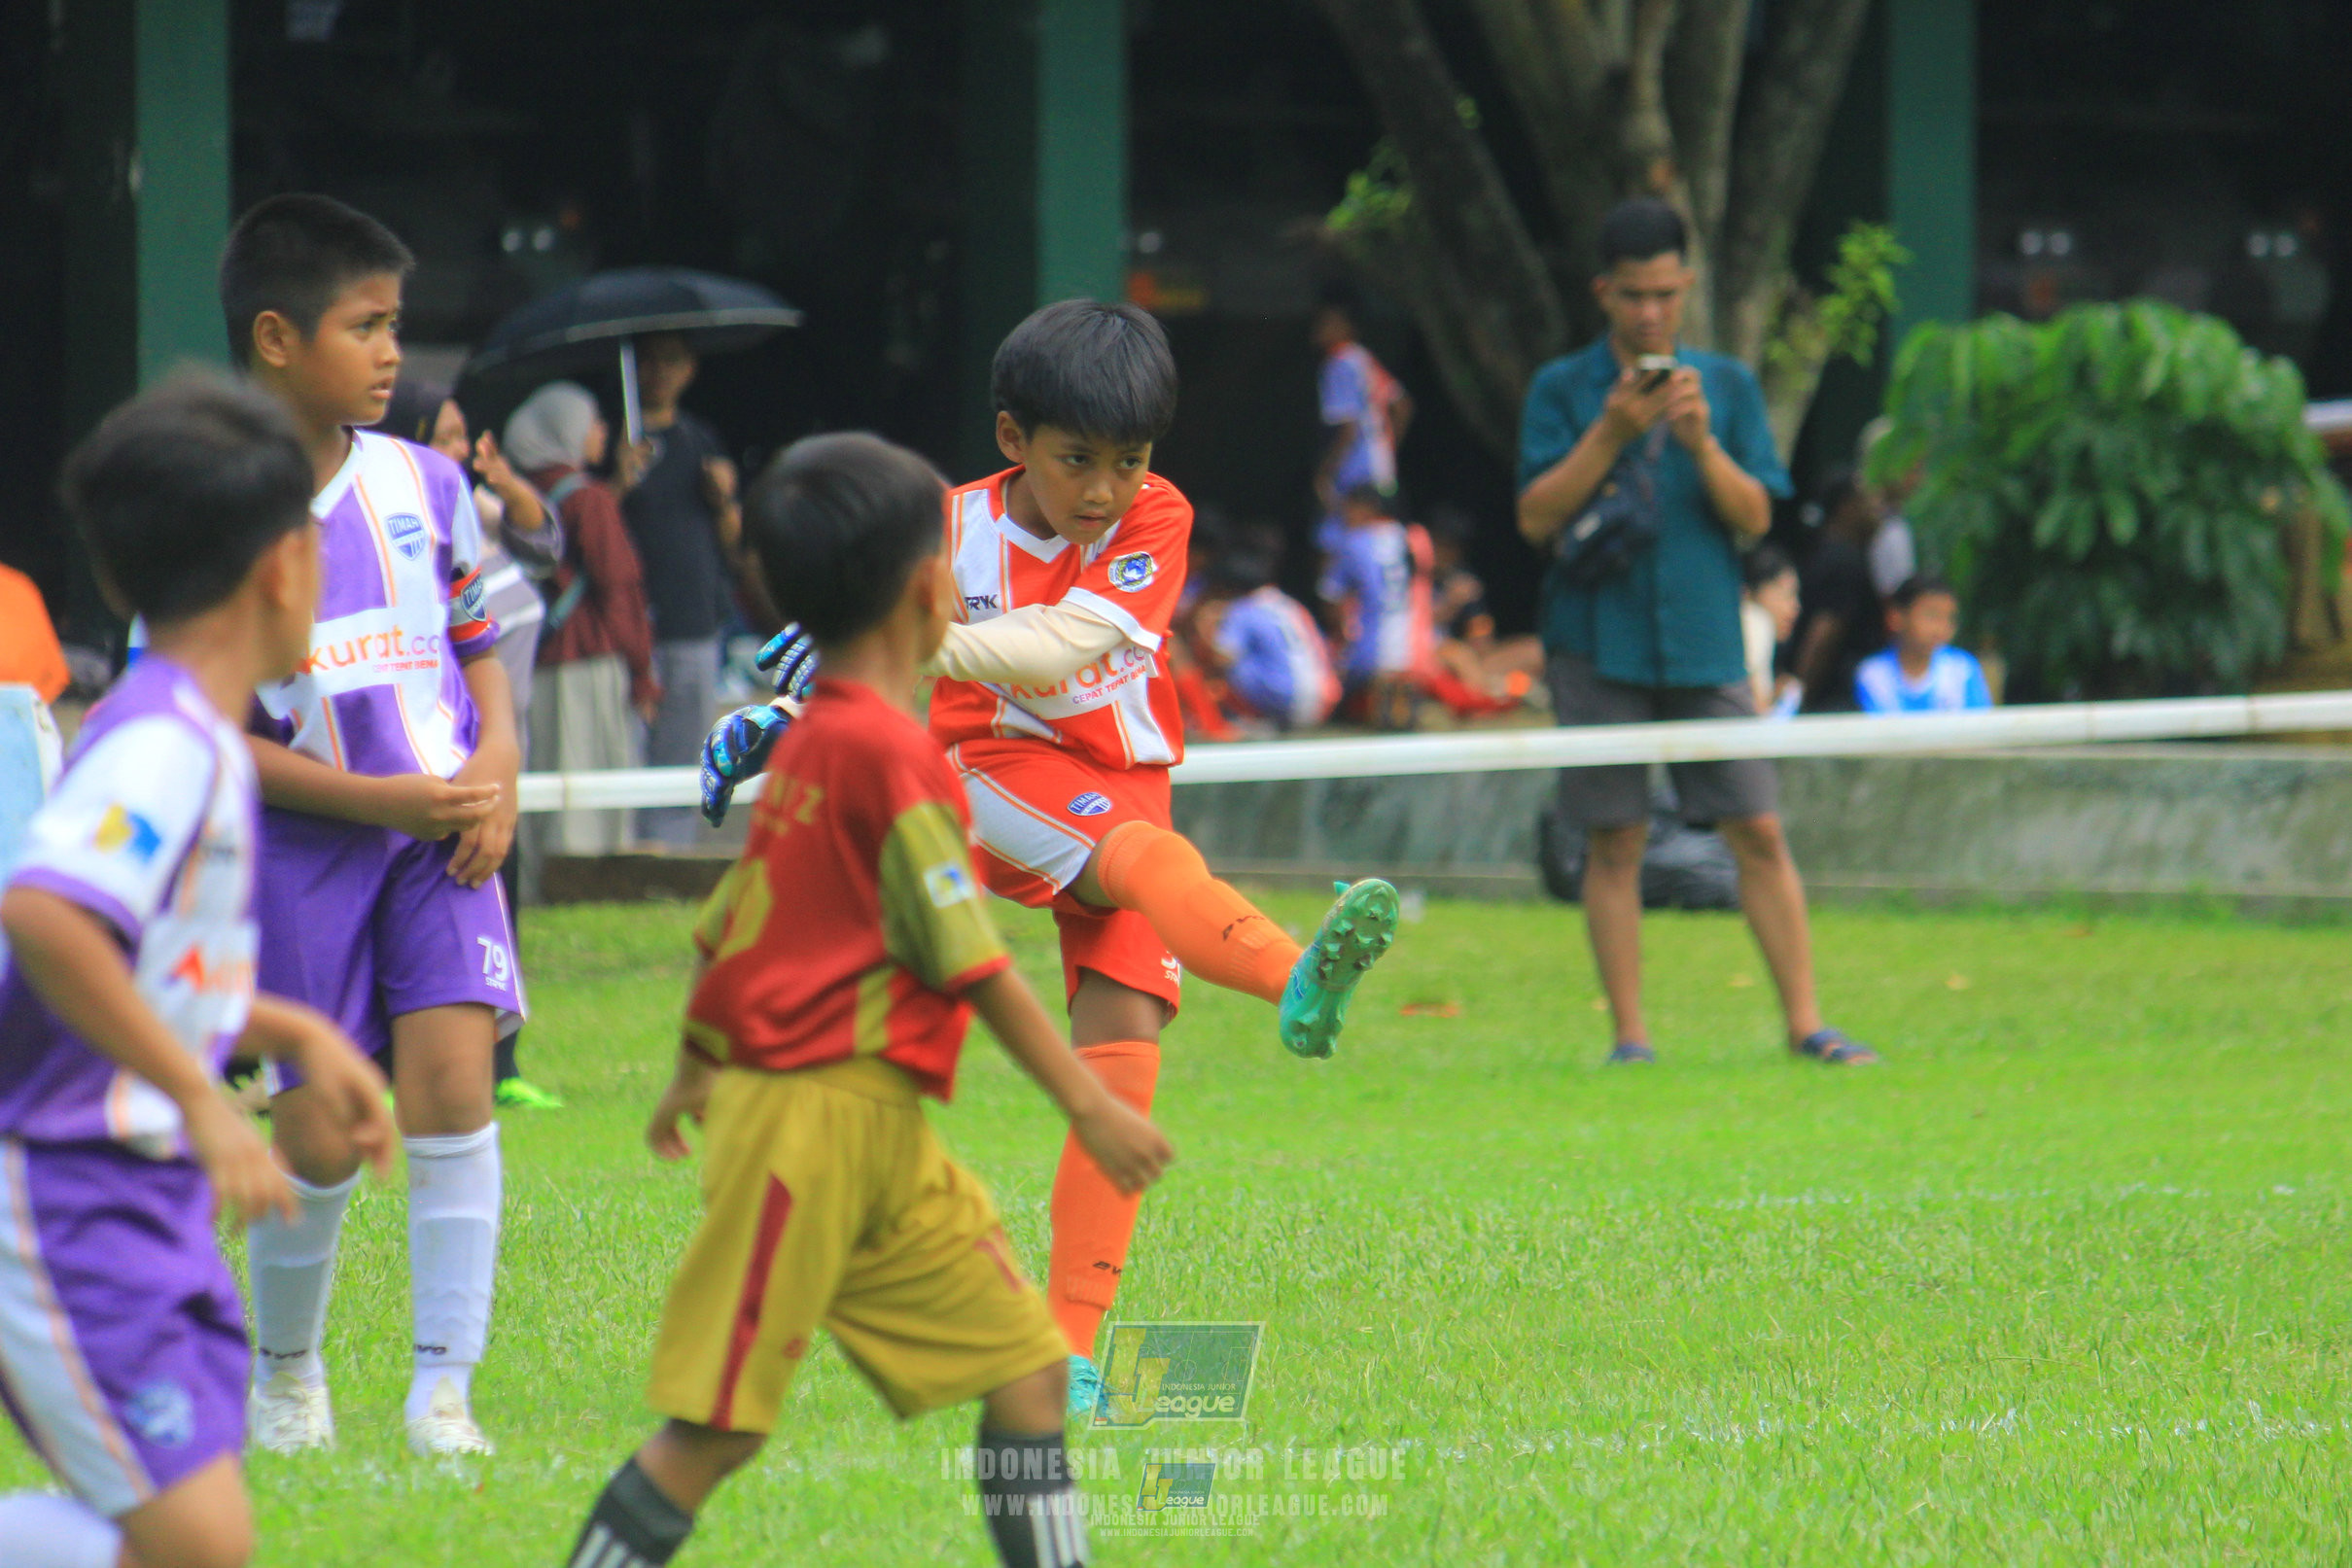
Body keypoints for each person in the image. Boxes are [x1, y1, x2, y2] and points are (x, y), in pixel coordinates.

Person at [701, 300, 1402, 1413]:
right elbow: (883, 666)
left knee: (1123, 1052)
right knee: (1141, 859)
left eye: (1130, 459)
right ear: (1011, 438)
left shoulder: (1157, 514)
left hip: (1123, 771)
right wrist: (785, 716)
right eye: (1079, 459)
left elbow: (1063, 644)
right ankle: (1291, 976)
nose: (1105, 489)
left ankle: (1067, 1352)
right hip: (989, 763)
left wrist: (898, 642)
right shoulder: (944, 528)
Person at [561, 432, 1171, 1568]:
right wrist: (1089, 1104)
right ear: (930, 591)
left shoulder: (811, 743)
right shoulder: (889, 755)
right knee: (715, 1431)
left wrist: (692, 1064)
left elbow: (735, 920)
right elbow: (972, 962)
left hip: (883, 1133)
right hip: (802, 1130)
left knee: (1029, 1374)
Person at [0, 373, 397, 1568]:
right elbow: (47, 911)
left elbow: (154, 963)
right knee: (195, 1543)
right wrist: (198, 1096)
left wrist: (296, 1030)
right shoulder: (164, 744)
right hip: (65, 1194)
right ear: (283, 567)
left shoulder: (198, 740)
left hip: (138, 1197)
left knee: (192, 1539)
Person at [222, 193, 528, 1457]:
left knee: (455, 1091)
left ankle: (442, 1392)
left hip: (441, 841)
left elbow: (479, 644)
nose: (394, 353)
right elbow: (200, 730)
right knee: (322, 1131)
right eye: (366, 327)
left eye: (398, 325)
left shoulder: (429, 481)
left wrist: (497, 763)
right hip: (298, 851)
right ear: (276, 338)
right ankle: (286, 1374)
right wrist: (373, 800)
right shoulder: (213, 506)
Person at [1514, 196, 1876, 1067]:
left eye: (1666, 294)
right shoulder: (1563, 388)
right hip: (1596, 639)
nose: (1651, 312)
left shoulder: (1728, 384)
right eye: (1634, 294)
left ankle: (1806, 1024)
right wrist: (1611, 431)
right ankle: (1630, 1038)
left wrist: (1701, 442)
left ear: (1687, 287)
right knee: (1614, 840)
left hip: (1706, 640)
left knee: (1758, 828)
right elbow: (1534, 518)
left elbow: (1755, 517)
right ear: (1603, 292)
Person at [383, 380, 568, 1110]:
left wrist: (505, 481)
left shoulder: (470, 509)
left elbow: (546, 544)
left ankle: (500, 1065)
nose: (460, 450)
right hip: (433, 759)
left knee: (496, 908)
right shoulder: (394, 525)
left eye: (465, 435)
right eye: (446, 436)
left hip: (497, 749)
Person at [506, 381, 659, 858]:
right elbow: (620, 591)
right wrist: (642, 673)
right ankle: (584, 881)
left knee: (547, 784)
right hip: (588, 663)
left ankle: (542, 879)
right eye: (592, 421)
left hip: (534, 661)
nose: (602, 431)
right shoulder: (589, 499)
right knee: (590, 787)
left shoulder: (518, 494)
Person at [615, 332, 742, 850]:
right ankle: (622, 862)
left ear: (690, 369)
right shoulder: (616, 440)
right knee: (625, 757)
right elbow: (588, 530)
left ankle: (669, 861)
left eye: (672, 361)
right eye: (648, 361)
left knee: (683, 757)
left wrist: (724, 500)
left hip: (692, 622)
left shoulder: (700, 440)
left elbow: (735, 543)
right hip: (627, 629)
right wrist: (618, 479)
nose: (660, 373)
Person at [1319, 483, 1429, 729]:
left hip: (1370, 647)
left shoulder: (1355, 541)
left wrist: (1340, 633)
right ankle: (1402, 710)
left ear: (1366, 508)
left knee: (1339, 672)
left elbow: (1331, 595)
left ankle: (1378, 711)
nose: (1345, 516)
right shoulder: (1406, 537)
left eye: (1348, 509)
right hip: (1412, 645)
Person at [1312, 288, 1412, 554]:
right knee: (1377, 544)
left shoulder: (1339, 363)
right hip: (1381, 469)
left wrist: (1325, 472)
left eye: (1329, 322)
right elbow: (1403, 406)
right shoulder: (1363, 359)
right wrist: (1386, 447)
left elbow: (1349, 428)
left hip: (1354, 472)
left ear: (1348, 327)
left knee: (1337, 544)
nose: (1320, 329)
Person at [1201, 545, 1339, 732]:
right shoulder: (1290, 604)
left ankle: (1244, 720)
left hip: (1284, 703)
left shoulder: (1242, 608)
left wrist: (1204, 628)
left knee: (1232, 661)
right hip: (1323, 701)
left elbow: (1221, 659)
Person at [1790, 467, 1887, 714]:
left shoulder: (1822, 549)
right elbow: (1824, 631)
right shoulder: (1844, 561)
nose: (1877, 508)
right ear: (1847, 507)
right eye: (1868, 500)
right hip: (1835, 698)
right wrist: (1799, 700)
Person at [1855, 575, 1992, 713]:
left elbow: (1981, 721)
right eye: (1931, 616)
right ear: (1895, 617)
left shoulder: (1962, 669)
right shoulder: (1873, 674)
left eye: (1949, 618)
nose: (1941, 628)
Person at [1740, 543, 1803, 717]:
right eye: (1786, 595)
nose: (1795, 607)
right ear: (1748, 593)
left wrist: (1776, 695)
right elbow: (1754, 711)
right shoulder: (1755, 619)